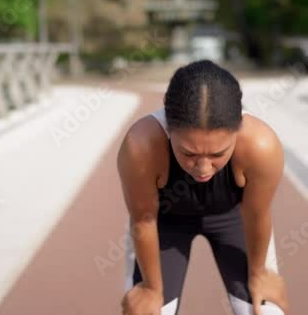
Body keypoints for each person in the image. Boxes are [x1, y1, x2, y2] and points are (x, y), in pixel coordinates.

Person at [118, 59, 289, 315]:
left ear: (237, 131)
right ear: (169, 128)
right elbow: (143, 221)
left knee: (265, 312)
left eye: (217, 154)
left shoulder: (261, 146)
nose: (203, 169)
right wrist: (151, 289)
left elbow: (257, 215)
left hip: (234, 218)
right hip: (164, 222)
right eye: (189, 153)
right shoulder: (141, 146)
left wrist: (260, 273)